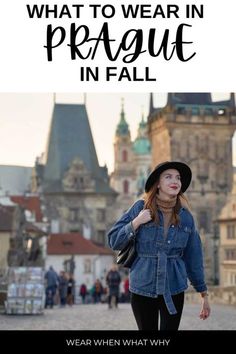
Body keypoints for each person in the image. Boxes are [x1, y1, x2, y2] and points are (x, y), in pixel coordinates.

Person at [107, 161, 211, 330]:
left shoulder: (186, 217)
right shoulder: (140, 207)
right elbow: (114, 240)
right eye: (168, 177)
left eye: (178, 178)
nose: (175, 181)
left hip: (174, 287)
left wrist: (203, 294)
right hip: (143, 286)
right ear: (158, 184)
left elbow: (194, 257)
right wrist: (136, 222)